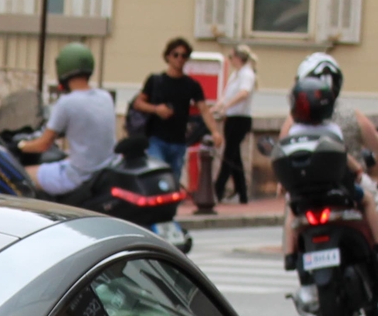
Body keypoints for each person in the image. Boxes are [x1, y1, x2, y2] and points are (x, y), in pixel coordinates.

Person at [279, 52, 378, 257]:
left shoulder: (293, 124)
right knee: (375, 204)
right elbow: (357, 150)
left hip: (303, 189)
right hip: (338, 185)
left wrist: (283, 182)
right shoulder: (341, 121)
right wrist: (358, 168)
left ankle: (289, 254)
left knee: (291, 213)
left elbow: (282, 152)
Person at [22, 42, 117, 196]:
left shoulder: (67, 102)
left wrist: (20, 146)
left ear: (63, 68)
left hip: (78, 176)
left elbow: (43, 144)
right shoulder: (105, 96)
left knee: (21, 175)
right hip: (102, 169)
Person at [134, 37, 204, 176]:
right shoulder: (155, 80)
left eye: (184, 55)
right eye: (175, 54)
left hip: (179, 142)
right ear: (168, 56)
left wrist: (215, 131)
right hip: (156, 139)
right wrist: (156, 109)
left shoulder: (192, 85)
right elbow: (138, 103)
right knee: (158, 177)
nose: (179, 58)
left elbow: (204, 109)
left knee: (173, 183)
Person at [204, 45, 256, 206]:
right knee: (235, 156)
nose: (230, 59)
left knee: (228, 154)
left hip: (240, 118)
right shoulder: (236, 74)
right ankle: (242, 193)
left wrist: (226, 106)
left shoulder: (247, 74)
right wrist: (217, 107)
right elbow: (226, 95)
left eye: (232, 56)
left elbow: (243, 93)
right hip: (232, 117)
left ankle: (218, 190)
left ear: (238, 58)